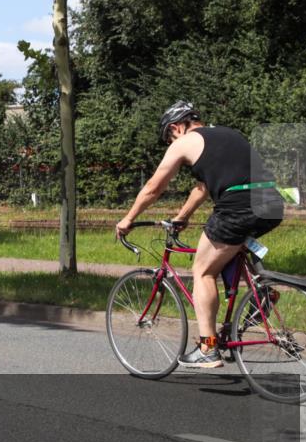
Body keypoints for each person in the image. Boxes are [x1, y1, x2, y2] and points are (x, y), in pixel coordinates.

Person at [116, 101, 284, 369]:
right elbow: (201, 189)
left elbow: (152, 188)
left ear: (176, 127)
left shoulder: (185, 142)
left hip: (237, 207)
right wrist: (182, 217)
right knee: (231, 247)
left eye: (169, 137)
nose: (171, 141)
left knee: (203, 271)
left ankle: (207, 347)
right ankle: (261, 294)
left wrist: (128, 219)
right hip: (272, 204)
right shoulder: (229, 134)